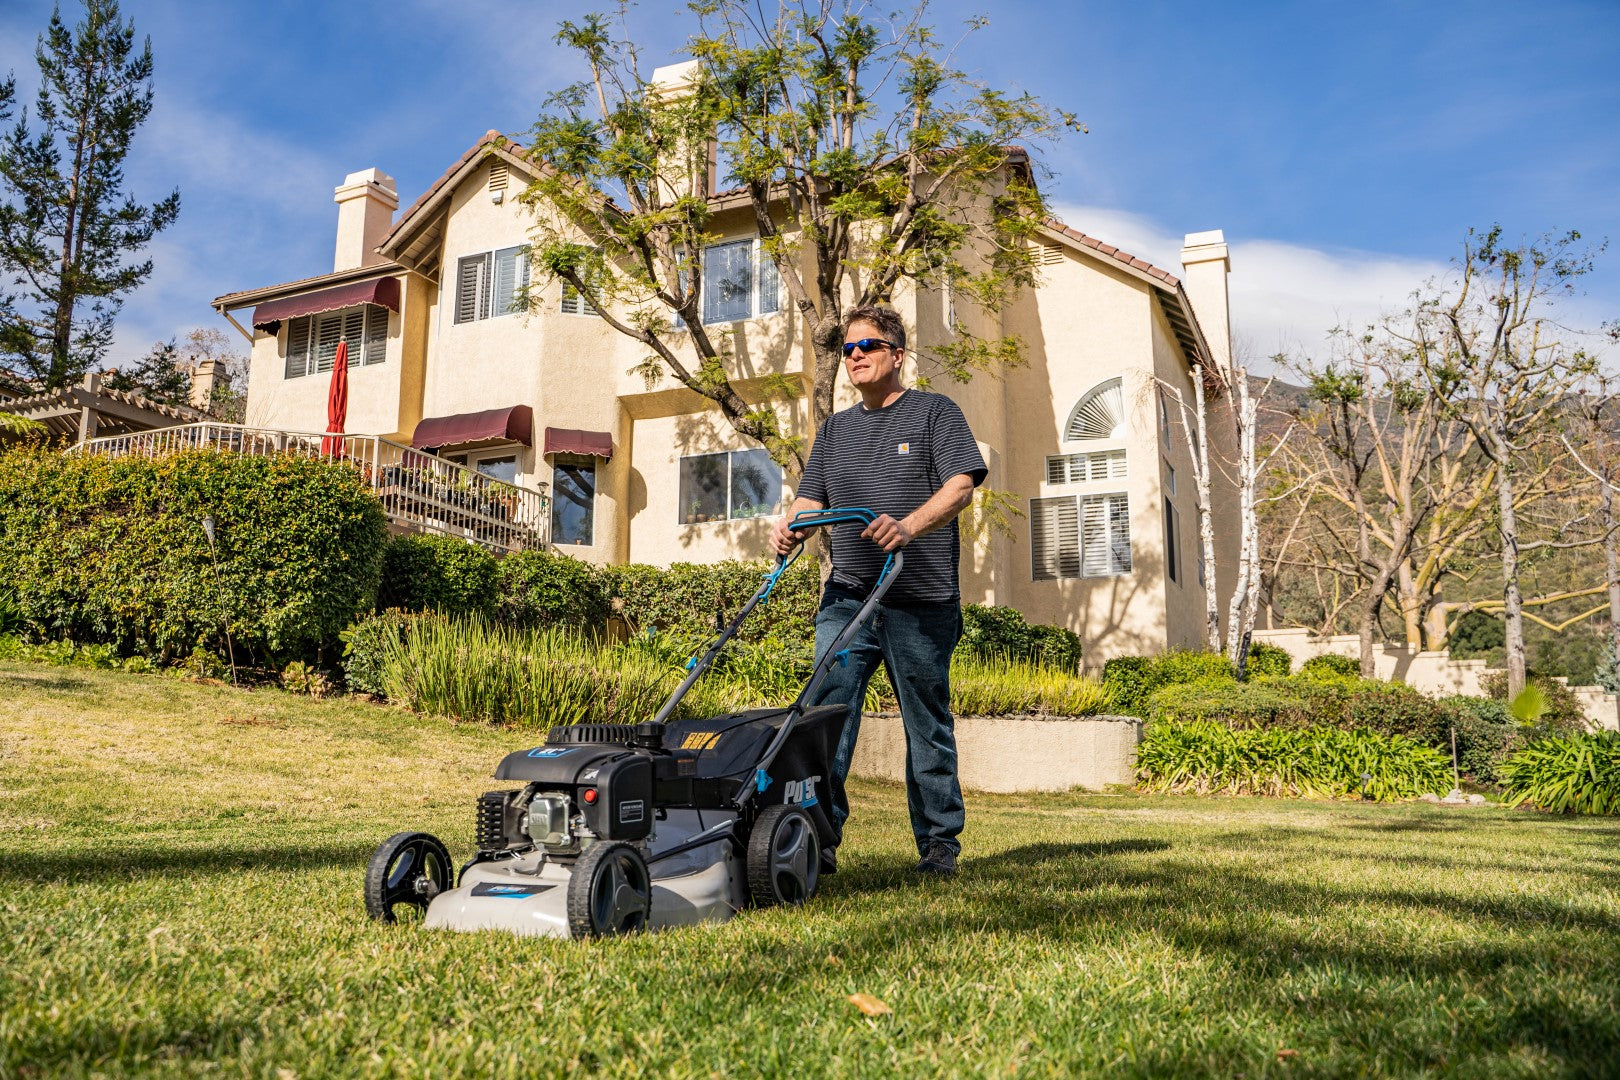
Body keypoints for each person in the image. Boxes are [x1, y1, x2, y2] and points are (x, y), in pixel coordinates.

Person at [769, 305, 987, 876]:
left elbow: (961, 485)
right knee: (824, 716)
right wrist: (791, 524)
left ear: (897, 353)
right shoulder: (836, 431)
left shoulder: (934, 413)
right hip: (848, 596)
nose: (855, 356)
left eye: (867, 346)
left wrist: (909, 526)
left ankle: (939, 845)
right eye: (847, 350)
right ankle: (816, 838)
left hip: (921, 600)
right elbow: (811, 499)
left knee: (926, 722)